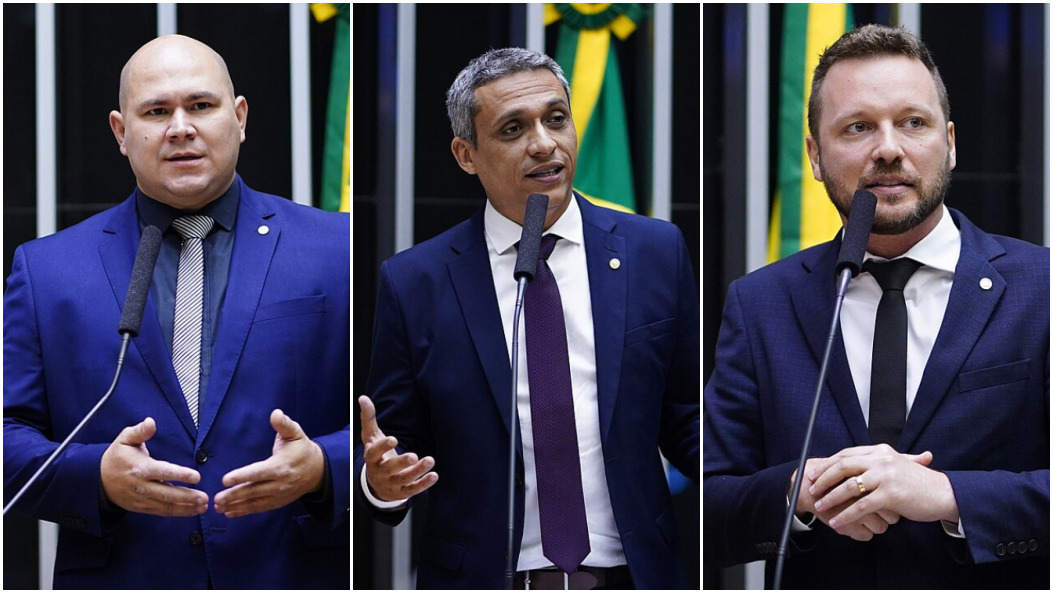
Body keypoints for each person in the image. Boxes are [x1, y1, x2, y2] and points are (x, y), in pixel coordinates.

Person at [703, 24, 1049, 588]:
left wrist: (950, 496)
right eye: (858, 127)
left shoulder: (1043, 287)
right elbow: (705, 509)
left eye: (913, 122)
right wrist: (797, 495)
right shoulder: (762, 301)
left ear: (952, 142)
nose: (888, 148)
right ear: (815, 156)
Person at [3, 35, 350, 589]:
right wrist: (95, 476)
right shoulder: (47, 270)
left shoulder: (340, 248)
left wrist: (323, 467)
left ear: (239, 118)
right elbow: (5, 433)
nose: (181, 127)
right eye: (157, 111)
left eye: (201, 106)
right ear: (121, 132)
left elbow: (404, 420)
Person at [354, 47, 699, 589]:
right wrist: (379, 482)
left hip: (632, 575)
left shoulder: (654, 252)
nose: (544, 143)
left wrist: (769, 485)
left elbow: (689, 420)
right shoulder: (415, 281)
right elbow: (391, 449)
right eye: (514, 128)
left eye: (555, 118)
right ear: (466, 154)